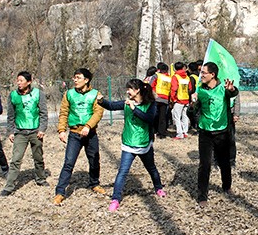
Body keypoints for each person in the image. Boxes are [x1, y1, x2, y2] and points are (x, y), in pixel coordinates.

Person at [97, 79, 166, 212]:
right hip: (128, 144)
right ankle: (115, 199)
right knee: (122, 172)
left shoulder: (150, 105)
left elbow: (149, 119)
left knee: (151, 168)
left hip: (144, 143)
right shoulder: (126, 103)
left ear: (137, 90)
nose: (127, 92)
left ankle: (158, 188)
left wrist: (134, 109)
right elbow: (111, 105)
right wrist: (101, 101)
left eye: (129, 89)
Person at [54, 68, 106, 205]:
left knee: (94, 159)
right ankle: (60, 192)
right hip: (74, 134)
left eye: (78, 77)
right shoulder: (69, 94)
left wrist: (88, 126)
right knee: (69, 162)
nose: (75, 80)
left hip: (90, 134)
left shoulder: (96, 94)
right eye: (74, 77)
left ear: (86, 80)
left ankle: (94, 183)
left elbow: (98, 113)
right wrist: (61, 130)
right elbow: (64, 112)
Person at [192, 62, 239, 208]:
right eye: (201, 73)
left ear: (213, 74)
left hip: (222, 132)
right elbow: (193, 112)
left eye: (204, 73)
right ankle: (202, 196)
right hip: (205, 132)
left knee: (224, 162)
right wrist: (192, 104)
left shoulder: (223, 89)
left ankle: (227, 186)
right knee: (205, 164)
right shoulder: (200, 90)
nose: (202, 75)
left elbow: (233, 93)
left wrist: (231, 89)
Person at [0, 71, 49, 196]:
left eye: (21, 80)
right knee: (16, 159)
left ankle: (40, 179)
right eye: (18, 80)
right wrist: (11, 131)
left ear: (29, 82)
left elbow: (43, 113)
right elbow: (11, 116)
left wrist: (42, 129)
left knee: (38, 157)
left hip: (35, 131)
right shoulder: (13, 95)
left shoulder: (38, 94)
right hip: (20, 133)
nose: (19, 83)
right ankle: (9, 186)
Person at [170, 61, 191, 140]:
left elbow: (174, 89)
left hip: (178, 100)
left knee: (177, 117)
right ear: (183, 67)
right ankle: (185, 132)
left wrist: (173, 99)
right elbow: (190, 88)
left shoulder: (175, 77)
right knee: (185, 116)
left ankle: (179, 133)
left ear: (175, 68)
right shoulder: (187, 77)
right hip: (186, 99)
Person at [151, 62, 171, 138]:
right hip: (165, 99)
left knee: (154, 115)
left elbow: (151, 85)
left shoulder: (156, 76)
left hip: (156, 97)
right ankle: (161, 133)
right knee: (162, 117)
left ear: (159, 70)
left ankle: (153, 130)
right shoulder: (170, 78)